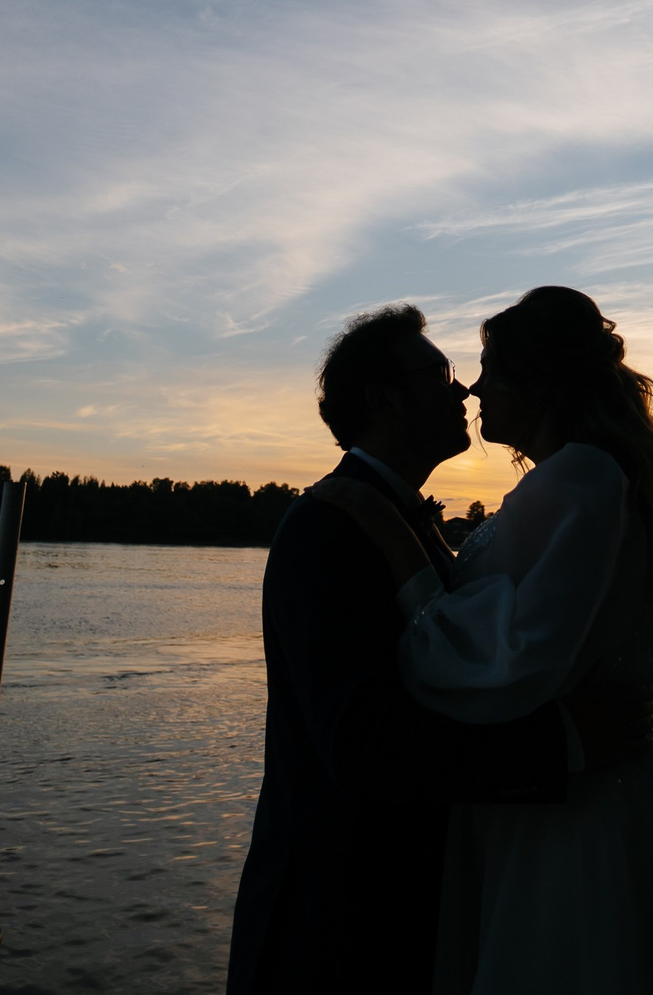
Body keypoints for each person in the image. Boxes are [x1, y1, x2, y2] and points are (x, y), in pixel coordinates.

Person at [395, 286, 653, 995]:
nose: (475, 388)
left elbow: (520, 656)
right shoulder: (587, 477)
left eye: (491, 369)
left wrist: (407, 597)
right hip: (621, 787)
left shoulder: (578, 480)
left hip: (582, 812)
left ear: (541, 383)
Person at [228, 305, 608, 995]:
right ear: (382, 399)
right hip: (338, 925)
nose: (461, 390)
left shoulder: (398, 518)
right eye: (438, 375)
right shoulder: (327, 529)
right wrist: (562, 742)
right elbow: (364, 747)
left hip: (398, 917)